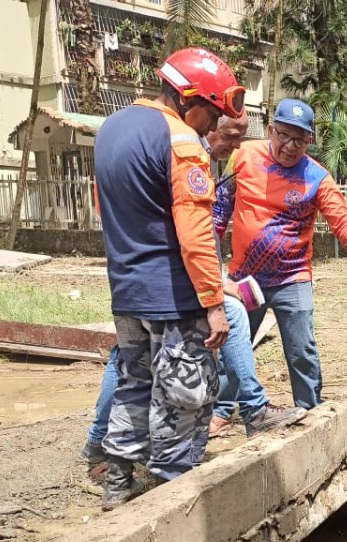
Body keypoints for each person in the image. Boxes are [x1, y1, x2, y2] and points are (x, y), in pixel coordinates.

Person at [81, 111, 301, 468]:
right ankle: (245, 416)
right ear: (206, 122)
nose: (233, 146)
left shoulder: (124, 141)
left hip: (132, 278)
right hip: (167, 282)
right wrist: (213, 291)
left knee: (128, 363)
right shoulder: (184, 149)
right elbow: (193, 232)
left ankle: (103, 448)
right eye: (229, 135)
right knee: (170, 366)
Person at [92, 47, 239, 510]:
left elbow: (103, 208)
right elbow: (196, 233)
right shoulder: (181, 140)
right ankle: (172, 499)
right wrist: (214, 303)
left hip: (127, 291)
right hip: (175, 296)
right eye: (211, 114)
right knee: (185, 395)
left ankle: (118, 485)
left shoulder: (111, 128)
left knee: (134, 383)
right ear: (190, 100)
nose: (212, 127)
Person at [212, 98, 347, 416]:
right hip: (244, 278)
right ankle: (221, 410)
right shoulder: (242, 157)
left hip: (292, 278)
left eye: (299, 139)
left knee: (302, 350)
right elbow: (221, 206)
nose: (290, 145)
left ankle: (310, 411)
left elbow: (339, 214)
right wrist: (209, 257)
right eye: (283, 135)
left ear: (309, 140)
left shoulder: (316, 177)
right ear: (271, 130)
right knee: (234, 346)